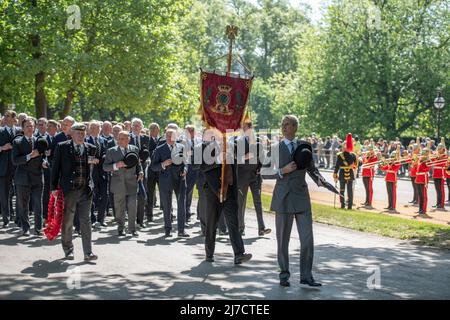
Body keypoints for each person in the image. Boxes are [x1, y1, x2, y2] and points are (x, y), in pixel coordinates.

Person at [265, 115, 324, 287]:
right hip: (283, 198)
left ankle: (306, 276)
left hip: (301, 198)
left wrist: (319, 179)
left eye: (287, 124)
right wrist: (282, 171)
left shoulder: (304, 146)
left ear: (295, 127)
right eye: (282, 124)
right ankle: (284, 275)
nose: (284, 127)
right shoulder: (275, 148)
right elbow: (263, 172)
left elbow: (312, 169)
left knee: (307, 239)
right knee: (283, 241)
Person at [197, 128, 252, 265]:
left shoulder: (232, 147)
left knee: (233, 222)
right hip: (212, 191)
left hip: (229, 190)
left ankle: (239, 254)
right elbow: (199, 165)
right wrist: (217, 160)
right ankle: (209, 253)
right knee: (211, 223)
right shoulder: (204, 147)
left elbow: (235, 167)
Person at [51, 122, 98, 261]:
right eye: (78, 133)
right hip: (69, 190)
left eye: (83, 133)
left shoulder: (91, 148)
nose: (80, 136)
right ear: (72, 133)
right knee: (68, 221)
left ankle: (88, 252)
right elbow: (55, 169)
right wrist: (53, 187)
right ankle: (68, 250)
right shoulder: (62, 147)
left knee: (86, 221)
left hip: (85, 190)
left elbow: (93, 167)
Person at [103, 131, 144, 237]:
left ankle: (132, 229)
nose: (120, 140)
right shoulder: (111, 151)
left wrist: (140, 171)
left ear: (128, 139)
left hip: (132, 182)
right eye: (119, 138)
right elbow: (105, 167)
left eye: (123, 138)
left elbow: (138, 163)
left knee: (132, 206)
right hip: (118, 183)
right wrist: (116, 165)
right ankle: (121, 228)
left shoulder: (134, 149)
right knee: (119, 207)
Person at [150, 128, 189, 238]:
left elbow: (186, 162)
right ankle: (168, 229)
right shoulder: (159, 149)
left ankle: (181, 230)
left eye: (172, 136)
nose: (170, 138)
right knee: (167, 206)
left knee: (181, 205)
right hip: (165, 180)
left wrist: (185, 170)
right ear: (165, 137)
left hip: (180, 180)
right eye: (168, 136)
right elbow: (153, 166)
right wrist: (163, 164)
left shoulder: (182, 147)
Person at [12, 117, 47, 236]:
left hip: (37, 177)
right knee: (23, 204)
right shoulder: (17, 142)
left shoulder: (40, 141)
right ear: (22, 128)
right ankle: (25, 228)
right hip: (22, 178)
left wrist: (45, 162)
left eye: (32, 126)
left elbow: (43, 156)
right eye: (27, 126)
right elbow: (15, 160)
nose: (30, 128)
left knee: (38, 204)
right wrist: (29, 156)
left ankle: (38, 229)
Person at [235, 121, 271, 236]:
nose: (245, 129)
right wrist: (246, 156)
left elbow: (262, 160)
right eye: (243, 127)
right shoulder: (238, 142)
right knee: (241, 203)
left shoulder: (259, 142)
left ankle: (261, 228)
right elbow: (236, 160)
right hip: (242, 177)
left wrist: (260, 167)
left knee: (258, 203)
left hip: (255, 177)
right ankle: (241, 227)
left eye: (246, 127)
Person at [86, 120, 109, 227]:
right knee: (92, 196)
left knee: (104, 195)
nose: (96, 129)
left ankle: (101, 218)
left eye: (98, 127)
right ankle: (92, 218)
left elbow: (106, 153)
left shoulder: (103, 140)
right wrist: (91, 159)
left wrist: (104, 158)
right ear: (90, 129)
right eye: (93, 127)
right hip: (91, 172)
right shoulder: (86, 140)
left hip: (103, 172)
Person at [0, 110, 20, 228]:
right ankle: (6, 218)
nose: (5, 118)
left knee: (20, 192)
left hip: (18, 166)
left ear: (14, 118)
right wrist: (2, 147)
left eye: (8, 116)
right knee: (4, 193)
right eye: (4, 116)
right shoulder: (0, 131)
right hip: (3, 167)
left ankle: (18, 217)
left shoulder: (19, 131)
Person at [129, 118, 150, 228]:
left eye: (138, 125)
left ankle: (140, 220)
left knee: (142, 195)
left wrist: (143, 159)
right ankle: (129, 219)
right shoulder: (127, 137)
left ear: (141, 127)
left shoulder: (146, 138)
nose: (136, 127)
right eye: (134, 125)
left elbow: (147, 151)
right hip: (130, 170)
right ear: (131, 126)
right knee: (131, 196)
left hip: (143, 170)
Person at [333, 140, 357, 210]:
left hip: (342, 173)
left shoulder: (340, 155)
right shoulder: (353, 155)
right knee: (349, 191)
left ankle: (343, 205)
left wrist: (335, 174)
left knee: (342, 190)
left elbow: (337, 166)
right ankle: (349, 206)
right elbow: (357, 164)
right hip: (349, 173)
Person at [146, 123, 161, 222]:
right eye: (152, 129)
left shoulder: (161, 140)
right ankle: (149, 215)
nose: (154, 131)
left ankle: (168, 212)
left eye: (156, 129)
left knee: (164, 192)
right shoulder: (147, 140)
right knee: (150, 193)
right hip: (151, 170)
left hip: (160, 170)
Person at [430, 142, 447, 210]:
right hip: (435, 174)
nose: (438, 150)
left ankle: (441, 204)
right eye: (438, 148)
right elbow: (431, 160)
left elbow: (443, 162)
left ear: (443, 149)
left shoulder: (445, 156)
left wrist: (438, 157)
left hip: (441, 174)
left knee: (441, 190)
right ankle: (438, 203)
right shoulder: (436, 155)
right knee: (437, 190)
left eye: (440, 148)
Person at [415, 149, 432, 216]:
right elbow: (417, 168)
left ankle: (423, 209)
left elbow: (427, 169)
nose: (422, 154)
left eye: (424, 153)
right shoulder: (420, 160)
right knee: (419, 195)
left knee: (423, 195)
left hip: (423, 178)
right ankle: (420, 209)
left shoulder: (427, 161)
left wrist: (425, 161)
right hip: (418, 178)